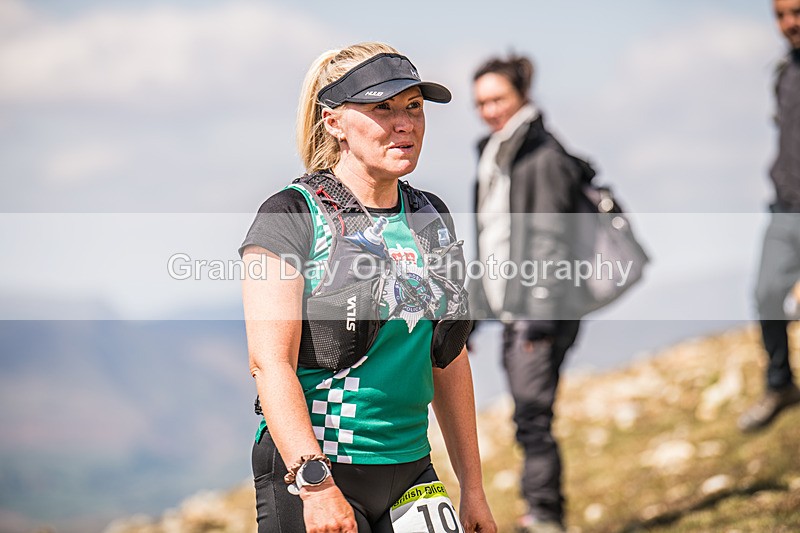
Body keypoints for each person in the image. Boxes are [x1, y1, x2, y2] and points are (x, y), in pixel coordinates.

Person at [239, 42, 496, 533]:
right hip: (317, 465)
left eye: (414, 107)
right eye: (383, 108)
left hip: (411, 470)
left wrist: (473, 488)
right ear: (333, 121)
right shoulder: (291, 215)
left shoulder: (429, 216)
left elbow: (448, 356)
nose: (406, 123)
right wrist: (315, 485)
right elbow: (268, 364)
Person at [468, 54, 585, 533]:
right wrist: (472, 313)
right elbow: (490, 241)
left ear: (522, 96)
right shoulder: (495, 153)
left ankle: (545, 516)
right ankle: (541, 511)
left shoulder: (543, 156)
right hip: (512, 306)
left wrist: (538, 317)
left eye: (498, 99)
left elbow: (551, 240)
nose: (489, 110)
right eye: (481, 103)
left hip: (540, 309)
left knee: (532, 415)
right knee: (529, 413)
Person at [738, 0, 800, 432]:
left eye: (796, 11)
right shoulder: (784, 74)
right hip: (784, 208)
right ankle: (781, 383)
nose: (789, 23)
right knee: (765, 293)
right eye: (780, 15)